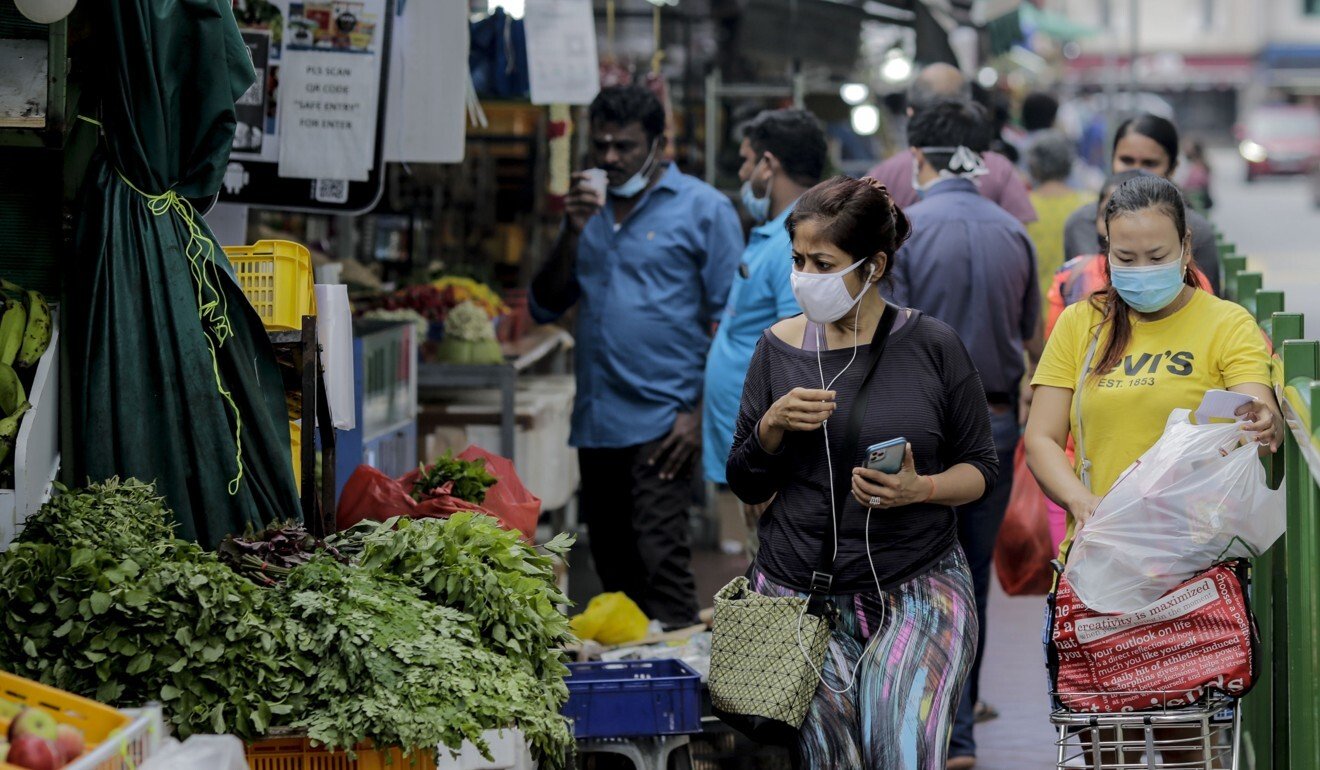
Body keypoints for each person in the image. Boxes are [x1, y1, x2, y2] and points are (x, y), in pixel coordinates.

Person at [725, 175, 998, 769]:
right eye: (798, 260)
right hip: (799, 598)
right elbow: (746, 482)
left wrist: (920, 488)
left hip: (917, 588)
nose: (805, 276)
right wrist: (770, 427)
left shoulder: (932, 345)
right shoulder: (775, 349)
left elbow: (981, 469)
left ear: (874, 266)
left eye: (824, 263)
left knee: (900, 753)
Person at [1026, 175, 1281, 768]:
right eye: (1126, 257)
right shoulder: (1080, 324)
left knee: (1188, 751)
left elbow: (1253, 404)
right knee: (1103, 749)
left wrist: (1260, 419)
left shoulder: (1227, 324)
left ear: (1187, 248)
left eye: (1158, 256)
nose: (1141, 268)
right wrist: (1085, 505)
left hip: (1190, 575)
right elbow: (1041, 438)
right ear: (1105, 250)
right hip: (1097, 569)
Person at [529, 85, 743, 628]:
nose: (609, 157)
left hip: (665, 421)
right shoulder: (586, 211)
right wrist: (572, 231)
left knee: (659, 559)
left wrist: (698, 415)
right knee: (611, 564)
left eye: (623, 146)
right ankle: (635, 687)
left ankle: (680, 699)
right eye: (600, 145)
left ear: (657, 144)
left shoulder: (704, 209)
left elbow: (735, 323)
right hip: (598, 419)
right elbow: (544, 302)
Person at [887, 98, 1040, 770]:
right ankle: (961, 738)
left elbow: (888, 340)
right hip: (997, 423)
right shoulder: (1015, 231)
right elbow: (1029, 335)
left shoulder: (908, 228)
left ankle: (915, 724)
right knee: (970, 581)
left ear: (918, 156)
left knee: (913, 577)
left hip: (926, 431)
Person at [703, 108, 825, 556]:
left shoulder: (794, 243)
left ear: (769, 165)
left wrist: (770, 467)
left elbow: (798, 357)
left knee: (769, 592)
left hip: (764, 453)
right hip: (749, 447)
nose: (742, 172)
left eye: (746, 159)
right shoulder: (775, 234)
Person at [1062, 114, 1221, 292]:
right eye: (1126, 160)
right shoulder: (1081, 224)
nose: (1136, 170)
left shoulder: (1197, 229)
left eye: (1150, 163)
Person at [866, 64, 1037, 225]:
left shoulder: (884, 175)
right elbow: (1018, 229)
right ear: (967, 111)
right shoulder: (998, 169)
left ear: (911, 113)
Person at [1027, 132, 1094, 302]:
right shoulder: (1089, 204)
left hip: (1036, 308)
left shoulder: (1022, 208)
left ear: (1033, 166)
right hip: (1079, 305)